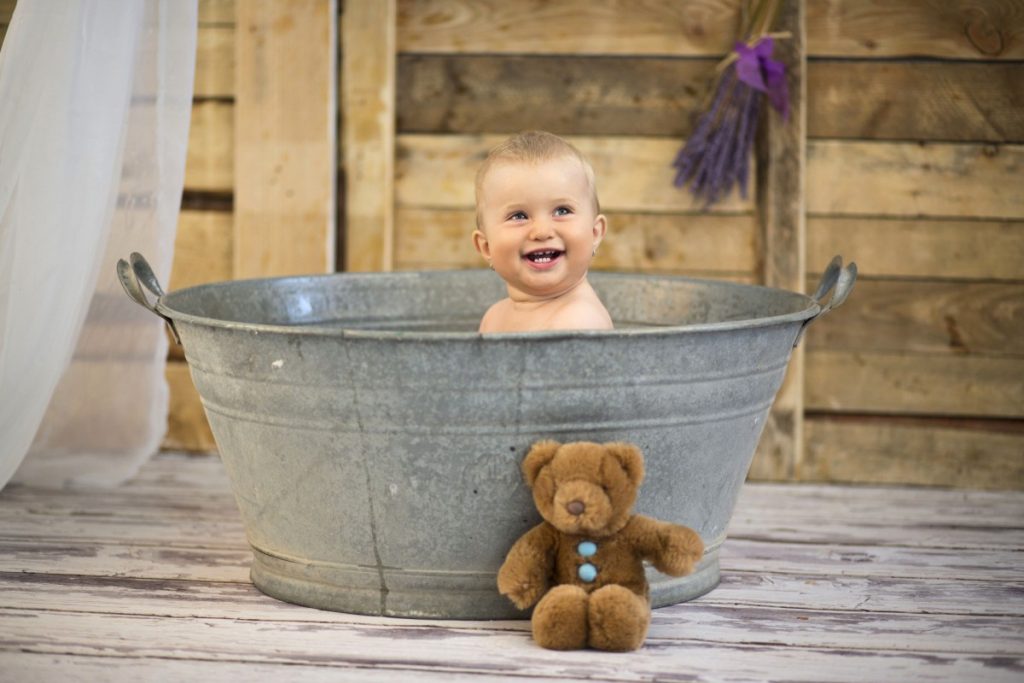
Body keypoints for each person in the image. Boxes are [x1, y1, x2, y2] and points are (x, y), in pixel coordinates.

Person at [472, 131, 614, 333]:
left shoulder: (578, 321)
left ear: (595, 233)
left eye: (562, 211)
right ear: (486, 247)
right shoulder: (494, 317)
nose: (542, 231)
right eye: (519, 216)